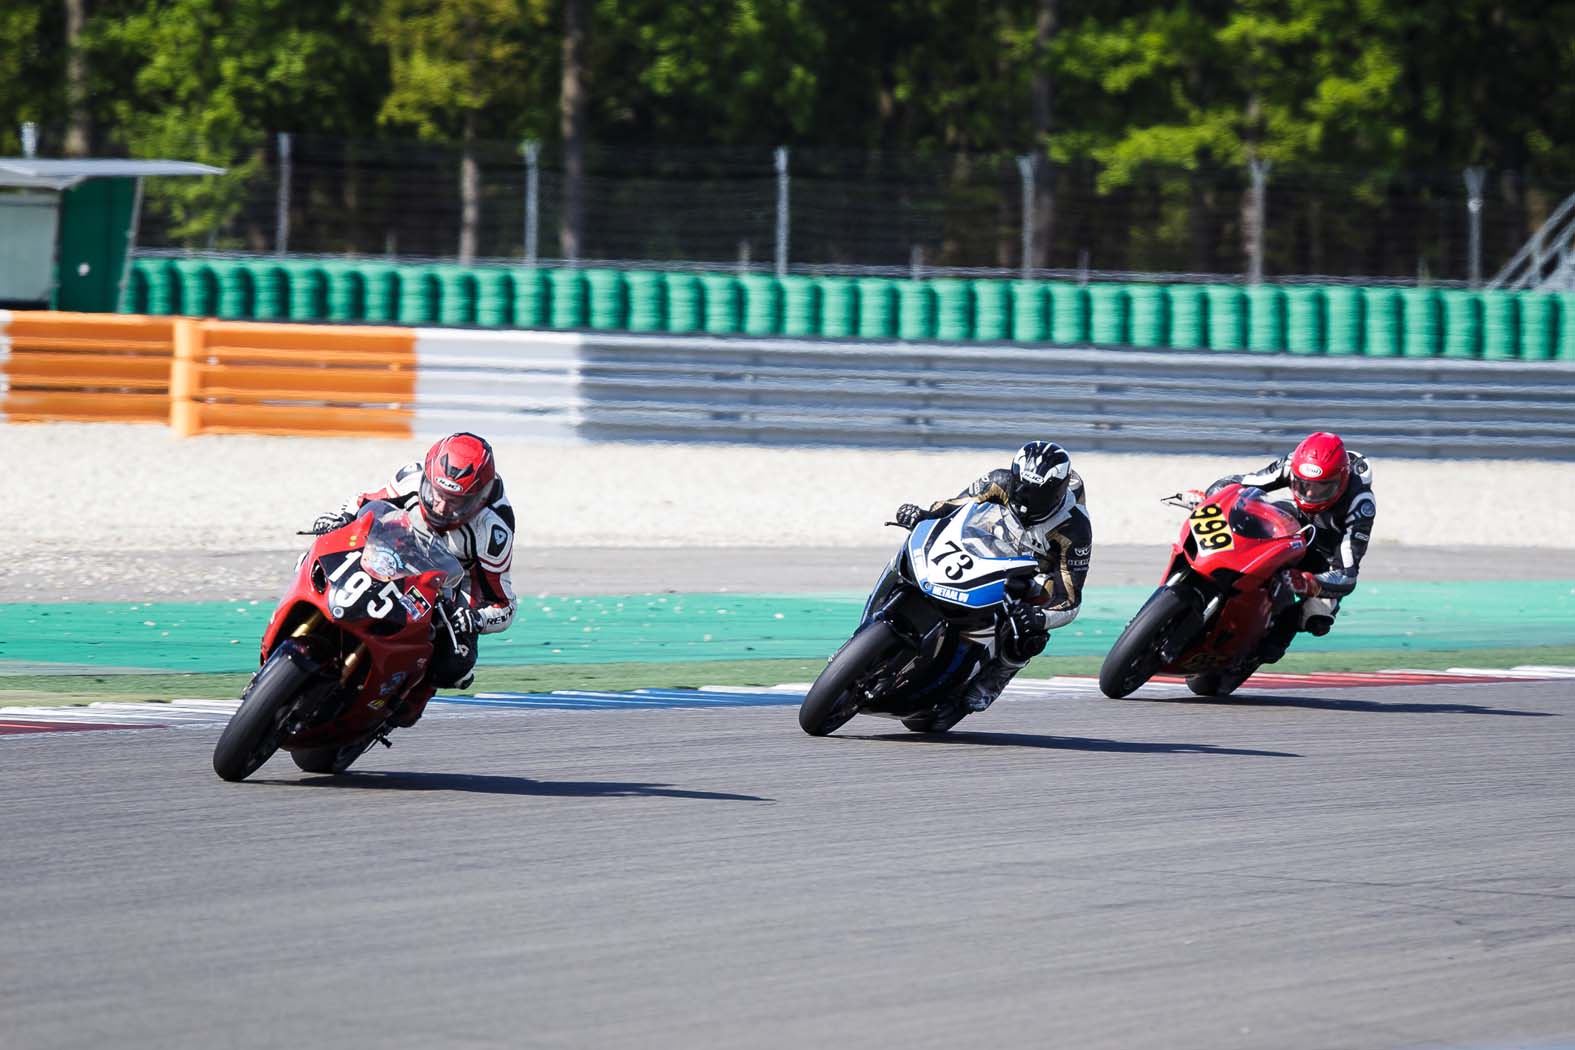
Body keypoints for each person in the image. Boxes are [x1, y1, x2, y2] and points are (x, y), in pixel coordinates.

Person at [311, 432, 517, 724]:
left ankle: (407, 698)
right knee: (324, 560)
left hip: (447, 590)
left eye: (458, 502)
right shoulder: (411, 476)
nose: (443, 507)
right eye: (437, 494)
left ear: (480, 499)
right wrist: (340, 518)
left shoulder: (494, 529)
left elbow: (504, 605)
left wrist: (476, 619)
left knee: (453, 664)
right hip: (392, 552)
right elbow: (362, 501)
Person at [891, 440, 1092, 713]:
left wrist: (1039, 617)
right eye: (1021, 486)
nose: (1024, 497)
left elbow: (1068, 599)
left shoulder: (1075, 529)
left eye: (1037, 494)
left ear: (1056, 492)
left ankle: (994, 679)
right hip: (979, 548)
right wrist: (922, 514)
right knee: (914, 552)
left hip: (1028, 574)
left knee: (1030, 632)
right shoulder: (1000, 480)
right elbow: (952, 506)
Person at [1203, 431, 1376, 662]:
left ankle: (1268, 641)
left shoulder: (1360, 503)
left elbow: (1347, 574)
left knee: (1315, 618)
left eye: (1323, 488)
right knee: (1250, 517)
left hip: (1325, 560)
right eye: (1303, 486)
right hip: (1292, 527)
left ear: (1341, 481)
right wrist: (1212, 497)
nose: (1311, 494)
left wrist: (1310, 583)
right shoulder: (1293, 463)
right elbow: (1245, 482)